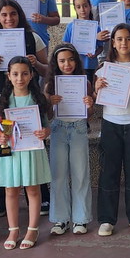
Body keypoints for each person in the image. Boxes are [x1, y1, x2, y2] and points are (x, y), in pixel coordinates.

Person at [94, 24, 130, 236]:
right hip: (111, 123)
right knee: (108, 171)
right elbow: (96, 98)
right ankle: (106, 219)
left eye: (128, 39)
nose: (124, 43)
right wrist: (96, 88)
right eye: (119, 39)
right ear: (113, 42)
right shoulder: (104, 68)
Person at [0, 57, 52, 250]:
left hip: (31, 150)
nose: (20, 78)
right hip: (10, 152)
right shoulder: (2, 100)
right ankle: (13, 230)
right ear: (8, 76)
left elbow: (46, 125)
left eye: (25, 73)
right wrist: (0, 135)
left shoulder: (37, 98)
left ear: (31, 75)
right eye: (15, 74)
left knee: (33, 189)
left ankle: (32, 229)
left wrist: (45, 132)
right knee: (11, 190)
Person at [46, 44, 94, 235]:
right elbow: (47, 114)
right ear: (56, 63)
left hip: (78, 129)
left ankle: (81, 219)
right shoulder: (51, 85)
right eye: (62, 61)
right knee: (58, 175)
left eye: (71, 59)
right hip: (58, 129)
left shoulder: (85, 82)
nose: (67, 64)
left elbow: (89, 114)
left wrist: (89, 105)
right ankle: (61, 219)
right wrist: (49, 102)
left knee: (80, 173)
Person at [62, 0, 99, 78]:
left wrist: (95, 54)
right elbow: (65, 44)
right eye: (78, 7)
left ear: (90, 6)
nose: (82, 9)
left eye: (85, 6)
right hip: (75, 64)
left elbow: (100, 47)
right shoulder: (71, 26)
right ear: (75, 9)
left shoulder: (96, 27)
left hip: (90, 65)